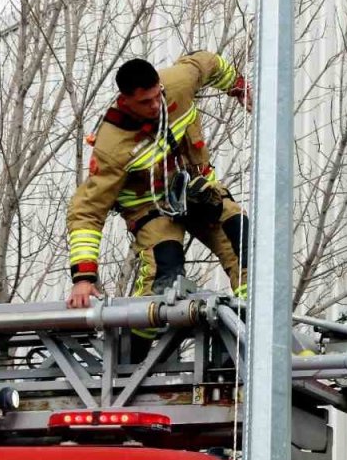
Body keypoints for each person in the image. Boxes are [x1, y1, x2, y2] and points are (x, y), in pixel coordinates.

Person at [65, 52, 252, 329]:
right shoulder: (113, 146)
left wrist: (238, 87)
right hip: (150, 209)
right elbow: (87, 211)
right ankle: (135, 359)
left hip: (197, 192)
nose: (155, 105)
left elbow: (208, 63)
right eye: (145, 102)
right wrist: (83, 278)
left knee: (245, 242)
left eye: (157, 96)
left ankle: (254, 328)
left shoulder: (179, 82)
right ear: (125, 100)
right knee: (165, 277)